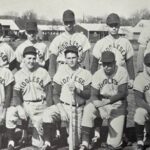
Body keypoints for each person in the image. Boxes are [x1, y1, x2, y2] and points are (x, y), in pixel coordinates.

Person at [42, 45, 92, 150]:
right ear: (65, 59)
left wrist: (77, 90)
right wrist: (62, 111)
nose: (71, 60)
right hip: (63, 106)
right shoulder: (61, 72)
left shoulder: (85, 73)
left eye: (74, 57)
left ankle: (67, 135)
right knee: (47, 113)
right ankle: (47, 143)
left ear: (78, 58)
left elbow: (88, 94)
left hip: (77, 108)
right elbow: (55, 94)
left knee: (74, 143)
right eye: (68, 58)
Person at [6, 46, 52, 149]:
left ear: (36, 59)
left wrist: (48, 109)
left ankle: (46, 141)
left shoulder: (43, 72)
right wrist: (19, 107)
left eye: (33, 58)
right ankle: (11, 141)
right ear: (23, 59)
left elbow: (49, 92)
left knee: (37, 144)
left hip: (40, 105)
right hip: (26, 104)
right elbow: (16, 94)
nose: (31, 61)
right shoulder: (18, 74)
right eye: (29, 58)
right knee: (10, 112)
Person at [79, 51, 128, 150]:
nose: (106, 66)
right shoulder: (98, 74)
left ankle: (121, 136)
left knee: (114, 145)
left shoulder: (122, 71)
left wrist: (108, 102)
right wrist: (101, 109)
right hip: (101, 102)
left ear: (114, 62)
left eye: (109, 64)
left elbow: (123, 93)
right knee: (88, 109)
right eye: (104, 64)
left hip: (118, 104)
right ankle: (85, 142)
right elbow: (93, 95)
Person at [91, 13, 135, 86]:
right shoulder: (100, 43)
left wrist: (132, 79)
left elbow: (130, 62)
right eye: (111, 26)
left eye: (116, 25)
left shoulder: (125, 42)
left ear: (119, 25)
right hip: (103, 77)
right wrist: (93, 78)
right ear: (107, 26)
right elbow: (94, 63)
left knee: (121, 96)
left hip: (120, 77)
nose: (114, 28)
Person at [48, 9, 91, 79]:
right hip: (62, 68)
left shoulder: (82, 38)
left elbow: (87, 59)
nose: (68, 24)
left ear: (74, 22)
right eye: (66, 22)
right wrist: (52, 77)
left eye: (70, 22)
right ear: (63, 22)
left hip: (77, 69)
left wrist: (88, 75)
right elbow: (52, 60)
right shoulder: (57, 39)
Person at [133, 53, 150, 150]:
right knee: (139, 112)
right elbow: (138, 100)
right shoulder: (140, 78)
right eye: (149, 65)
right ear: (144, 65)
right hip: (147, 110)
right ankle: (140, 140)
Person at [0, 65, 14, 148]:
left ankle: (7, 137)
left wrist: (4, 112)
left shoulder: (5, 72)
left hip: (1, 104)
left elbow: (8, 95)